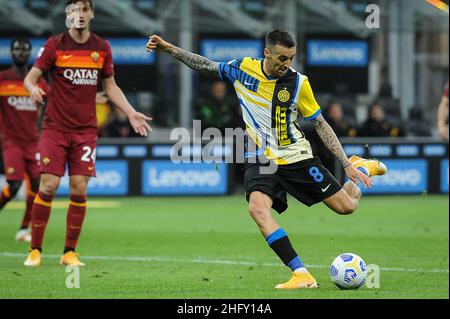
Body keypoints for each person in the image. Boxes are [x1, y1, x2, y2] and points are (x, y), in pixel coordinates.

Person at [146, 29, 387, 289]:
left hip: (296, 158)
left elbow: (319, 123)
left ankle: (363, 165)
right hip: (260, 157)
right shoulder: (243, 69)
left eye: (291, 58)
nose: (287, 64)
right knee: (257, 209)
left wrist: (348, 164)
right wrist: (168, 48)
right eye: (282, 58)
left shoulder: (298, 83)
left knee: (347, 207)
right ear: (267, 53)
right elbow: (205, 65)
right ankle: (301, 274)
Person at [23, 0, 152, 267]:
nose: (79, 15)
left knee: (79, 189)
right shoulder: (54, 44)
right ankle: (35, 249)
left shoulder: (101, 47)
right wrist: (32, 88)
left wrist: (130, 112)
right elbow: (30, 78)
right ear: (67, 15)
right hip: (55, 128)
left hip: (85, 131)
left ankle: (69, 252)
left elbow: (111, 86)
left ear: (91, 14)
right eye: (73, 10)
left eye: (84, 10)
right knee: (48, 184)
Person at [0, 38, 50, 242]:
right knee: (13, 185)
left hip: (33, 141)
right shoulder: (3, 78)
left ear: (30, 54)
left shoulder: (38, 81)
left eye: (24, 50)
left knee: (38, 184)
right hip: (11, 141)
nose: (20, 53)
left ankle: (23, 229)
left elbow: (51, 105)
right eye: (16, 49)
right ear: (11, 53)